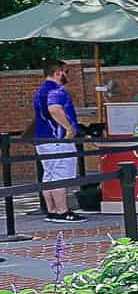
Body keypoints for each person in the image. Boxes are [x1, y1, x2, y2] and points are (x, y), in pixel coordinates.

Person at [33, 59, 82, 221]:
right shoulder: (57, 90)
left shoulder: (40, 90)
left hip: (42, 139)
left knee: (49, 174)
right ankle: (62, 211)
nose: (68, 75)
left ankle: (52, 210)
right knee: (61, 174)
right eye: (66, 72)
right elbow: (54, 109)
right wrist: (69, 128)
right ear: (57, 73)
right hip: (58, 138)